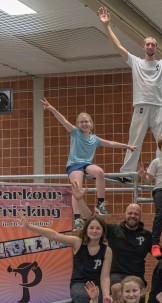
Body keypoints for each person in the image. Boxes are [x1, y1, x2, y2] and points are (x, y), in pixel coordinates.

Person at [98, 6, 162, 179]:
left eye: (153, 44)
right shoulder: (135, 62)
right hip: (141, 106)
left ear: (156, 48)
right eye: (148, 44)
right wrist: (106, 26)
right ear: (144, 47)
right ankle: (127, 174)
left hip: (159, 107)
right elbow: (118, 46)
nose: (150, 46)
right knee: (134, 141)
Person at [17, 201, 112, 303]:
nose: (94, 231)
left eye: (98, 228)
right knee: (80, 297)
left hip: (97, 283)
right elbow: (54, 235)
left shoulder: (107, 250)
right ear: (86, 230)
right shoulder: (77, 243)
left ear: (102, 231)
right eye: (91, 228)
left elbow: (105, 277)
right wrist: (30, 226)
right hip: (79, 282)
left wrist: (107, 295)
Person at [42, 97, 137, 229]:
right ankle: (76, 219)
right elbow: (63, 120)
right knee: (77, 188)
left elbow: (110, 143)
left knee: (99, 172)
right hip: (74, 164)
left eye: (86, 121)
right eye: (81, 122)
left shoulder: (94, 139)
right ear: (78, 124)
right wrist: (52, 109)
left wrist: (127, 146)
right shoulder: (75, 133)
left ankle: (100, 203)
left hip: (87, 164)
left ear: (91, 124)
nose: (84, 124)